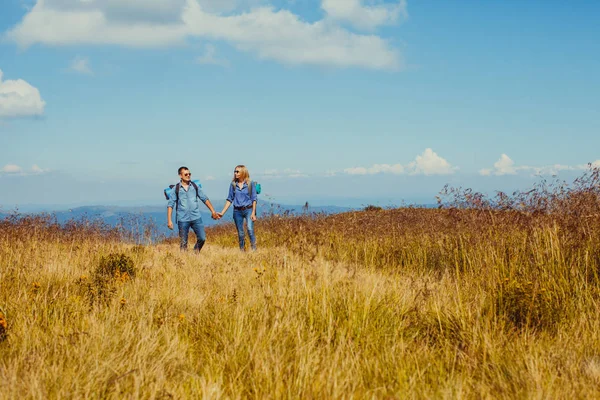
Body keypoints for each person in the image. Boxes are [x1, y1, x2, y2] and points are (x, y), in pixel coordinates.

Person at [167, 166, 220, 252]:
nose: (188, 175)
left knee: (202, 238)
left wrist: (213, 211)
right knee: (183, 243)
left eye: (189, 174)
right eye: (186, 174)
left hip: (196, 217)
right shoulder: (176, 189)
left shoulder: (194, 186)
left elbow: (204, 199)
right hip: (182, 219)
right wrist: (169, 220)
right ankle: (184, 260)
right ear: (180, 175)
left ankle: (195, 252)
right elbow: (170, 205)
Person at [218, 165, 258, 251]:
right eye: (235, 171)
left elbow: (254, 199)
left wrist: (253, 212)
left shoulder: (250, 184)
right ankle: (242, 250)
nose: (235, 173)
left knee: (250, 229)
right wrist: (222, 212)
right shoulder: (233, 185)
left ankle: (254, 250)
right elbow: (229, 199)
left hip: (248, 209)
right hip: (237, 211)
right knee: (240, 233)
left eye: (237, 171)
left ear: (243, 172)